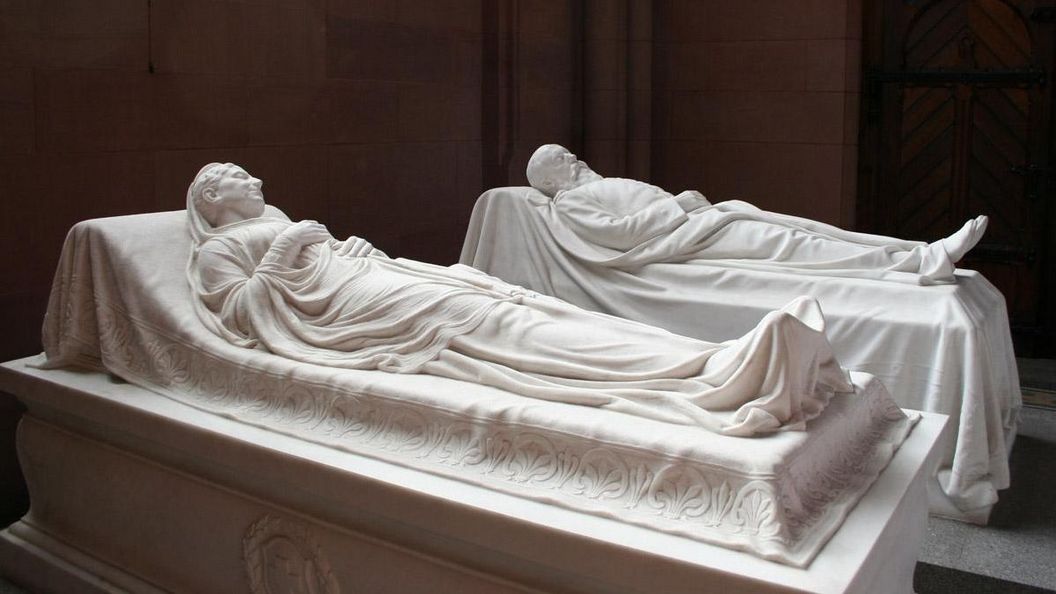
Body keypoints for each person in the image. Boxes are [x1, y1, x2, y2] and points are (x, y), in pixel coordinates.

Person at [187, 162, 859, 437]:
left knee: (529, 307)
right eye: (229, 176)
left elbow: (313, 264)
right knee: (509, 329)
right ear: (212, 202)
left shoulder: (277, 223)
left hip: (385, 281)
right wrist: (297, 245)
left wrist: (343, 247)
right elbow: (245, 312)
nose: (248, 176)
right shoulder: (221, 248)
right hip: (375, 312)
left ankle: (717, 358)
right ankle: (710, 377)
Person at [525, 144, 988, 284]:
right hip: (685, 237)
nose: (575, 159)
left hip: (701, 222)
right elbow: (620, 236)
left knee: (802, 229)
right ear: (550, 182)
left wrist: (686, 208)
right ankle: (922, 262)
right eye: (562, 161)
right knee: (794, 246)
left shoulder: (593, 185)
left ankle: (919, 253)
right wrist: (676, 207)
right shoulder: (572, 201)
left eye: (569, 154)